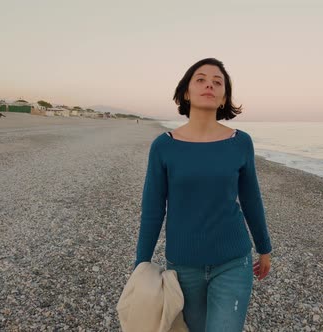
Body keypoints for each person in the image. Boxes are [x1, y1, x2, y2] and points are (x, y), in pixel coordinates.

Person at [134, 58, 272, 332]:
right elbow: (152, 210)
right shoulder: (164, 146)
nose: (209, 84)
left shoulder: (240, 142)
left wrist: (264, 248)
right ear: (186, 92)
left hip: (234, 260)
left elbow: (251, 198)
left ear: (224, 98)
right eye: (200, 79)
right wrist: (141, 265)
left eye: (217, 81)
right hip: (183, 265)